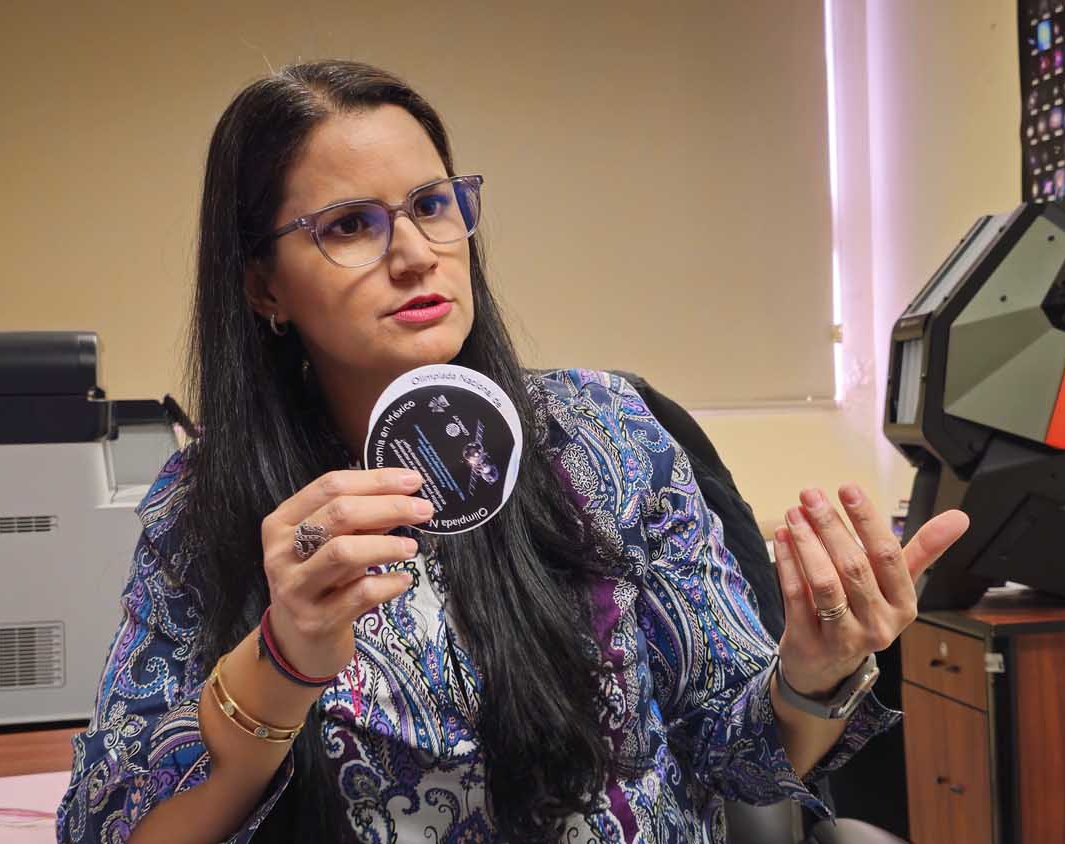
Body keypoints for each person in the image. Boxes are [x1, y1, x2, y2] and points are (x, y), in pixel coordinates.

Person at [54, 60, 969, 844]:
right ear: (264, 287)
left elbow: (740, 756)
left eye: (431, 205)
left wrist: (814, 672)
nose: (415, 254)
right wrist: (283, 660)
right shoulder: (208, 500)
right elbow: (112, 826)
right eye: (349, 225)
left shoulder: (610, 434)